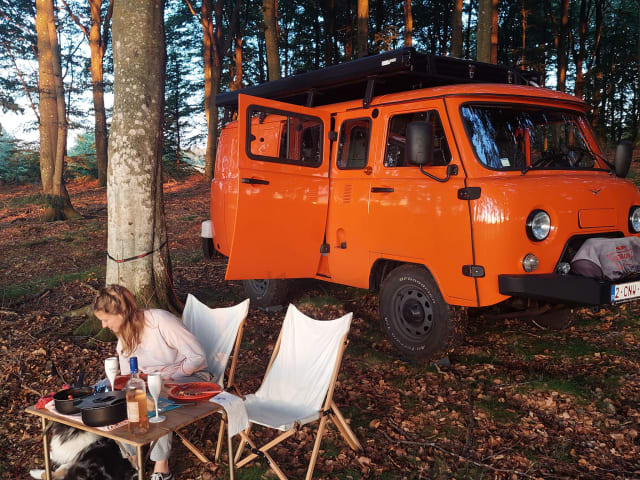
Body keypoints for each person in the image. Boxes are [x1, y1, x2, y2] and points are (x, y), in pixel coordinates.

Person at [93, 284, 210, 480]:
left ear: (121, 313)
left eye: (106, 320)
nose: (103, 326)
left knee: (156, 396)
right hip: (152, 379)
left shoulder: (160, 321)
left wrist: (165, 376)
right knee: (119, 395)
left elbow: (198, 358)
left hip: (191, 377)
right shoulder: (124, 334)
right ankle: (133, 459)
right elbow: (128, 375)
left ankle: (161, 468)